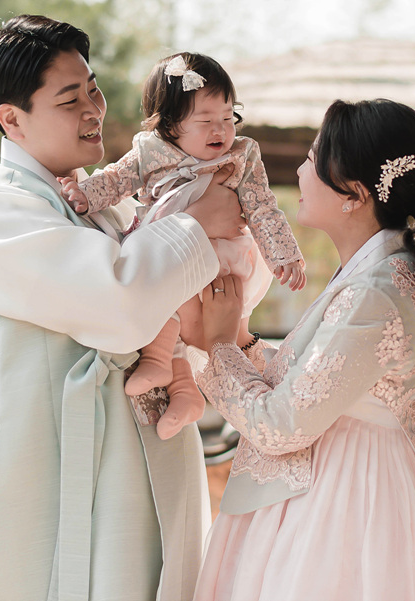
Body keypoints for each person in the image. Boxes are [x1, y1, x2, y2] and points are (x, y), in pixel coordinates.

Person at [0, 14, 244, 601]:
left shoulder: (111, 204)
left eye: (94, 90)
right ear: (12, 119)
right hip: (63, 460)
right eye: (70, 100)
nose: (94, 110)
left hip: (152, 442)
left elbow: (202, 303)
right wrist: (197, 222)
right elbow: (120, 305)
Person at [194, 99, 415, 600]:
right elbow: (318, 383)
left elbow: (281, 423)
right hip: (373, 483)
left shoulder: (375, 291)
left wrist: (216, 347)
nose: (300, 171)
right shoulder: (380, 270)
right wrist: (244, 342)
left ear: (354, 194)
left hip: (356, 504)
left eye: (312, 159)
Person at [59, 52, 306, 440]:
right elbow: (116, 180)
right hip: (174, 244)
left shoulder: (242, 154)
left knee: (187, 301)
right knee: (163, 289)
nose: (220, 130)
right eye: (205, 121)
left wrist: (284, 254)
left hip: (223, 256)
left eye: (228, 117)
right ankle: (182, 387)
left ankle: (165, 363)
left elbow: (262, 206)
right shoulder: (151, 152)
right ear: (170, 125)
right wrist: (85, 194)